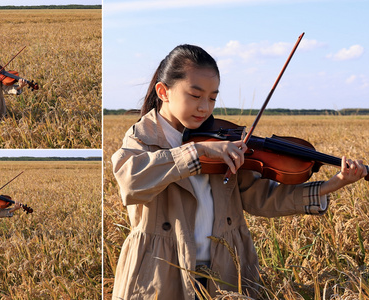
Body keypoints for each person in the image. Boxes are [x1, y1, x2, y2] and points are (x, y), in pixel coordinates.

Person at [110, 44, 367, 299]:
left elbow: (263, 198)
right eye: (195, 95)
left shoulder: (223, 141)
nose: (205, 107)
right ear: (163, 92)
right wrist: (196, 151)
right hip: (160, 271)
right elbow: (131, 183)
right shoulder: (142, 138)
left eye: (212, 97)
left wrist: (332, 184)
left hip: (226, 269)